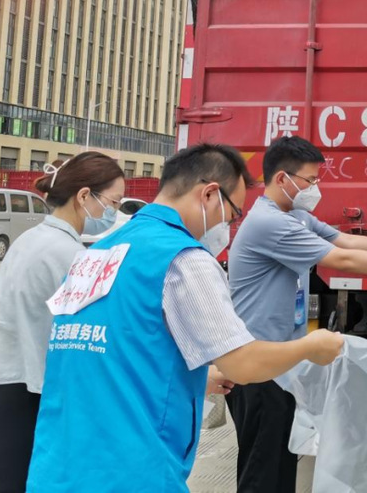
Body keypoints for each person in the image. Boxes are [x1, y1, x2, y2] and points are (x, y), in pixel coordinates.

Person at [25, 144, 345, 493]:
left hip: (57, 468)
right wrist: (310, 347)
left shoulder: (98, 252)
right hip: (131, 474)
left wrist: (197, 376)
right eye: (231, 215)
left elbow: (115, 349)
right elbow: (243, 365)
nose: (227, 228)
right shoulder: (183, 259)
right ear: (209, 194)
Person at [226, 135, 367, 493]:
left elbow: (346, 240)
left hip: (281, 360)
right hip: (258, 362)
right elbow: (340, 258)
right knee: (262, 466)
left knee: (281, 458)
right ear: (282, 178)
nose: (315, 188)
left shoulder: (295, 216)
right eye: (310, 180)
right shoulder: (269, 223)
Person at [0, 153, 124, 492]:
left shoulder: (30, 239)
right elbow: (91, 343)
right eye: (113, 202)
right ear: (84, 196)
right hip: (28, 403)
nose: (113, 213)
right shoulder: (71, 256)